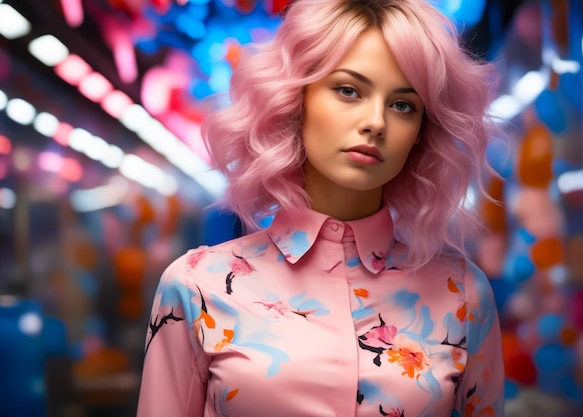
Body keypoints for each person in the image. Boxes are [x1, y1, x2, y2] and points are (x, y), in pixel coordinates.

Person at [136, 0, 505, 416]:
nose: (376, 122)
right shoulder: (196, 286)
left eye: (403, 105)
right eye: (349, 90)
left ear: (421, 133)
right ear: (296, 101)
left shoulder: (463, 293)